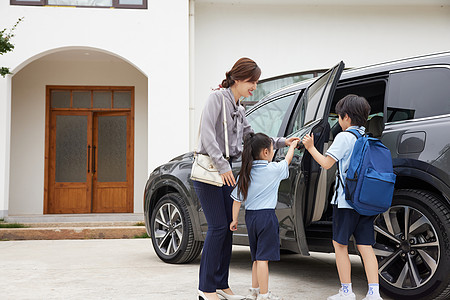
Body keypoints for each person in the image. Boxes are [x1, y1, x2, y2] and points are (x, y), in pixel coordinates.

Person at [193, 58, 299, 300]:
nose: (255, 86)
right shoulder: (216, 99)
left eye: (256, 82)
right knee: (218, 227)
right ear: (238, 79)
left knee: (227, 230)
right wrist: (223, 166)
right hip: (210, 172)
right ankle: (206, 288)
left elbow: (253, 138)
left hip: (226, 171)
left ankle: (221, 283)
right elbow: (207, 138)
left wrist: (284, 142)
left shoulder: (239, 110)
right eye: (252, 82)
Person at [302, 94, 382, 300]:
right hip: (366, 200)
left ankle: (346, 292)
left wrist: (311, 148)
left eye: (338, 116)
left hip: (346, 201)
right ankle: (374, 293)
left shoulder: (344, 137)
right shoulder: (369, 137)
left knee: (340, 245)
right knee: (366, 246)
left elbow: (327, 163)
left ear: (345, 117)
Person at [230, 133, 299, 300]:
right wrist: (292, 146)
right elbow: (287, 161)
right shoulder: (273, 170)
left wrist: (234, 219)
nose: (274, 151)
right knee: (263, 259)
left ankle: (254, 290)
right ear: (266, 153)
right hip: (267, 217)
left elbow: (237, 201)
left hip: (251, 218)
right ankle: (264, 294)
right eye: (272, 148)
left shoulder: (245, 173)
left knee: (256, 257)